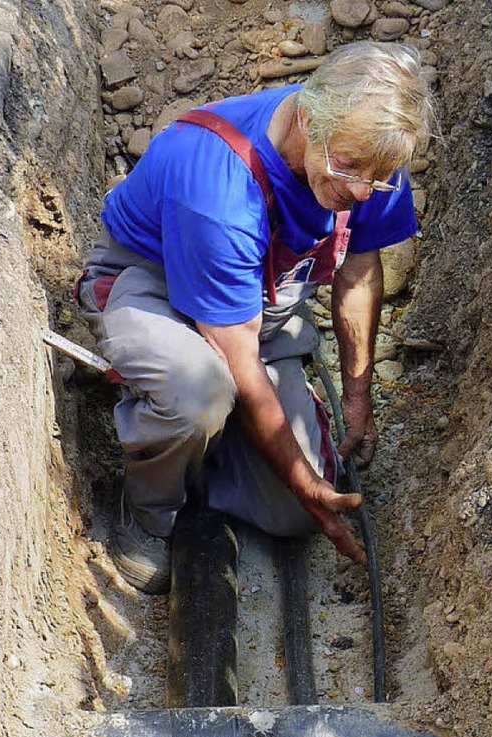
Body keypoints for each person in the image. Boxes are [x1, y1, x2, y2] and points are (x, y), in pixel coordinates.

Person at [77, 41, 434, 594]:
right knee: (197, 391)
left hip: (260, 300)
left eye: (378, 177)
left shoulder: (369, 152)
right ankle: (148, 507)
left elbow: (358, 271)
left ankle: (202, 448)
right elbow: (239, 361)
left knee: (294, 516)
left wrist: (358, 396)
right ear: (308, 118)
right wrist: (297, 474)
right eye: (349, 169)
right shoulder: (219, 189)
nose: (361, 190)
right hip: (155, 282)